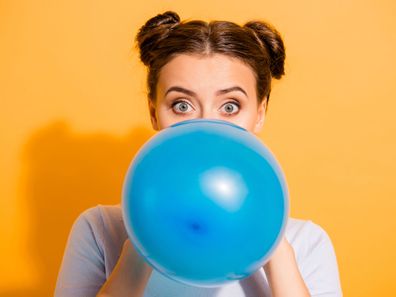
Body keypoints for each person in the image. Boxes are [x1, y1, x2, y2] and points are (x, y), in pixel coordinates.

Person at [54, 11, 343, 297]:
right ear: (154, 113)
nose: (207, 128)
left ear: (260, 113)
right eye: (181, 105)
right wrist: (140, 249)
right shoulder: (99, 230)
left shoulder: (307, 242)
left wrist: (274, 249)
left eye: (230, 107)